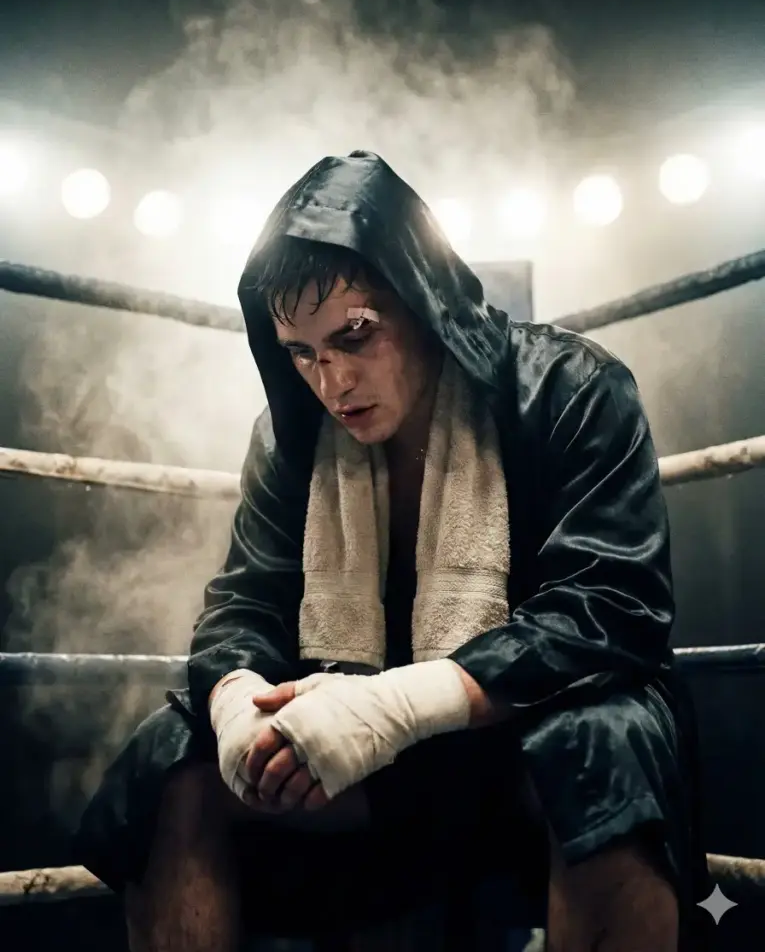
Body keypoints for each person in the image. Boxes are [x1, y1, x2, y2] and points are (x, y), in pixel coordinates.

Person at [76, 150, 711, 951]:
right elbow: (244, 601)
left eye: (354, 335)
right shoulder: (292, 438)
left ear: (425, 304)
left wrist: (392, 706)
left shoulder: (569, 387)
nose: (331, 380)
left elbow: (611, 609)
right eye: (301, 353)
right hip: (373, 771)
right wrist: (238, 705)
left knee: (599, 740)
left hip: (525, 744)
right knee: (171, 758)